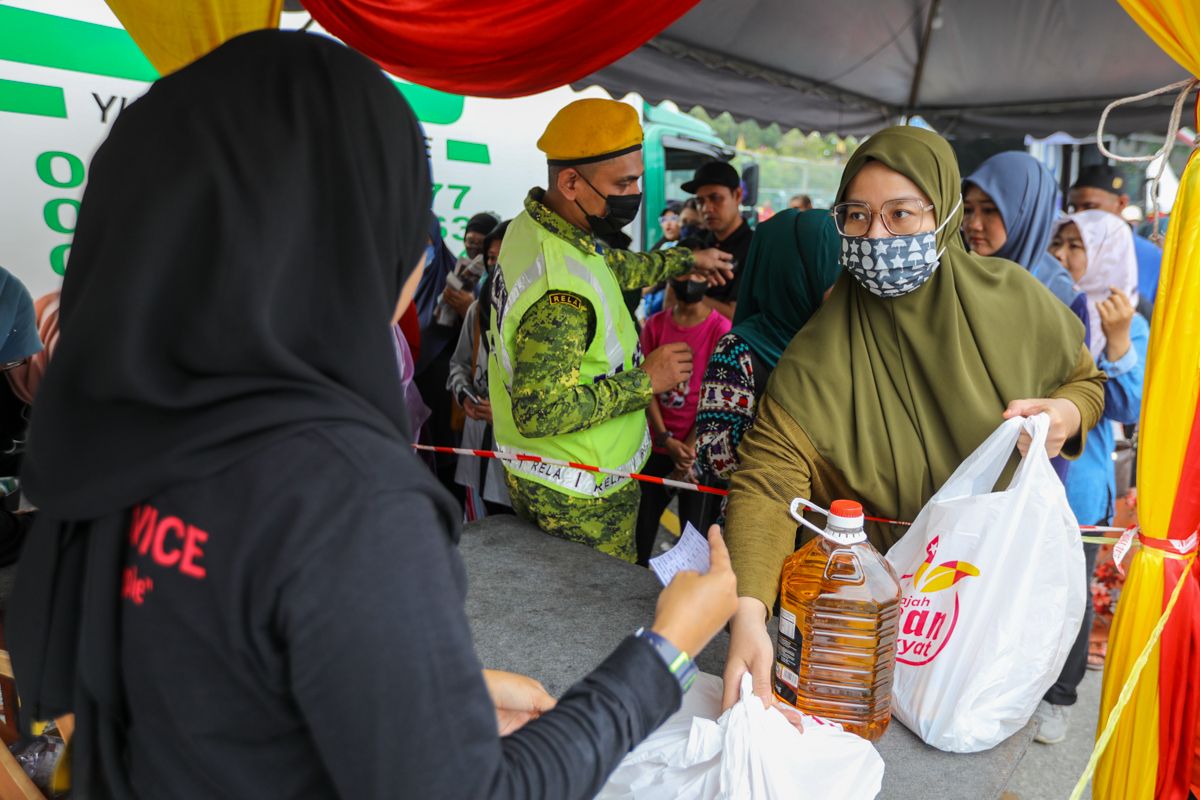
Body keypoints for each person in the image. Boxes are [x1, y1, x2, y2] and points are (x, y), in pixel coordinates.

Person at [7, 31, 740, 799]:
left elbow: (186, 685)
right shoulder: (346, 500)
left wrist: (408, 691)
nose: (420, 255)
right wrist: (667, 650)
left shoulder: (98, 439)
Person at [719, 125, 1107, 712]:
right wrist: (749, 611)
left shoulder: (1016, 302)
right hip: (873, 617)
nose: (876, 236)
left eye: (901, 215)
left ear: (945, 215)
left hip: (991, 601)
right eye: (855, 216)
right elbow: (768, 481)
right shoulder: (819, 352)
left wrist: (1069, 414)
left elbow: (1086, 382)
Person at [487, 98, 733, 563]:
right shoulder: (559, 297)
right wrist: (648, 380)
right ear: (571, 181)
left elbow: (606, 265)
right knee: (591, 618)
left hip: (549, 471)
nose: (635, 193)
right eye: (624, 183)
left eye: (636, 178)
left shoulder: (539, 227)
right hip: (578, 492)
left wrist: (684, 259)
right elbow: (540, 412)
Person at [1034, 210, 1148, 744]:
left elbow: (1127, 405)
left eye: (1077, 245)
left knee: (1070, 597)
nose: (1063, 253)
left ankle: (1060, 698)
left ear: (1105, 254)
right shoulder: (1045, 302)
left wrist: (1120, 340)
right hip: (1029, 478)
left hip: (1079, 486)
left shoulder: (1128, 321)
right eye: (1059, 240)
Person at [963, 151, 1093, 482]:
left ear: (1027, 212)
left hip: (1025, 470)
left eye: (991, 211)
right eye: (968, 210)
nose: (974, 224)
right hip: (958, 465)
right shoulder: (956, 279)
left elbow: (1074, 391)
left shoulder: (1060, 296)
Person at [694, 209, 840, 483]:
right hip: (764, 511)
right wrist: (786, 409)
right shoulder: (738, 351)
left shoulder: (844, 339)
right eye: (832, 275)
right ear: (795, 276)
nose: (844, 288)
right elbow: (713, 459)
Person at [634, 273, 731, 565]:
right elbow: (645, 384)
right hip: (656, 445)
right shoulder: (655, 324)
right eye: (684, 272)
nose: (690, 279)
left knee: (695, 540)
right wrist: (665, 438)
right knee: (641, 533)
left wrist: (688, 450)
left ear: (710, 279)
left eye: (698, 272)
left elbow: (717, 395)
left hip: (696, 453)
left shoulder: (720, 328)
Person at [448, 220, 512, 519]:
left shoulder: (541, 315)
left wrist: (505, 411)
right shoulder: (478, 310)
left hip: (517, 456)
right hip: (477, 443)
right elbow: (459, 364)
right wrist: (464, 394)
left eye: (504, 257)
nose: (495, 265)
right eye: (491, 258)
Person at [414, 217, 470, 499]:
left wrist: (466, 310)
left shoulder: (457, 278)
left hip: (443, 388)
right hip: (409, 386)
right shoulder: (397, 278)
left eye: (424, 243)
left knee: (446, 466)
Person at [1068, 164, 1162, 319]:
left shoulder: (1152, 257)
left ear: (1121, 203)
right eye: (1073, 207)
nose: (1079, 215)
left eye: (1089, 207)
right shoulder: (1062, 250)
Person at [683, 160, 754, 319]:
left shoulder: (756, 247)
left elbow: (735, 315)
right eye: (700, 201)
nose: (707, 208)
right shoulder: (694, 243)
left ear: (737, 195)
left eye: (715, 198)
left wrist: (690, 291)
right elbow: (669, 303)